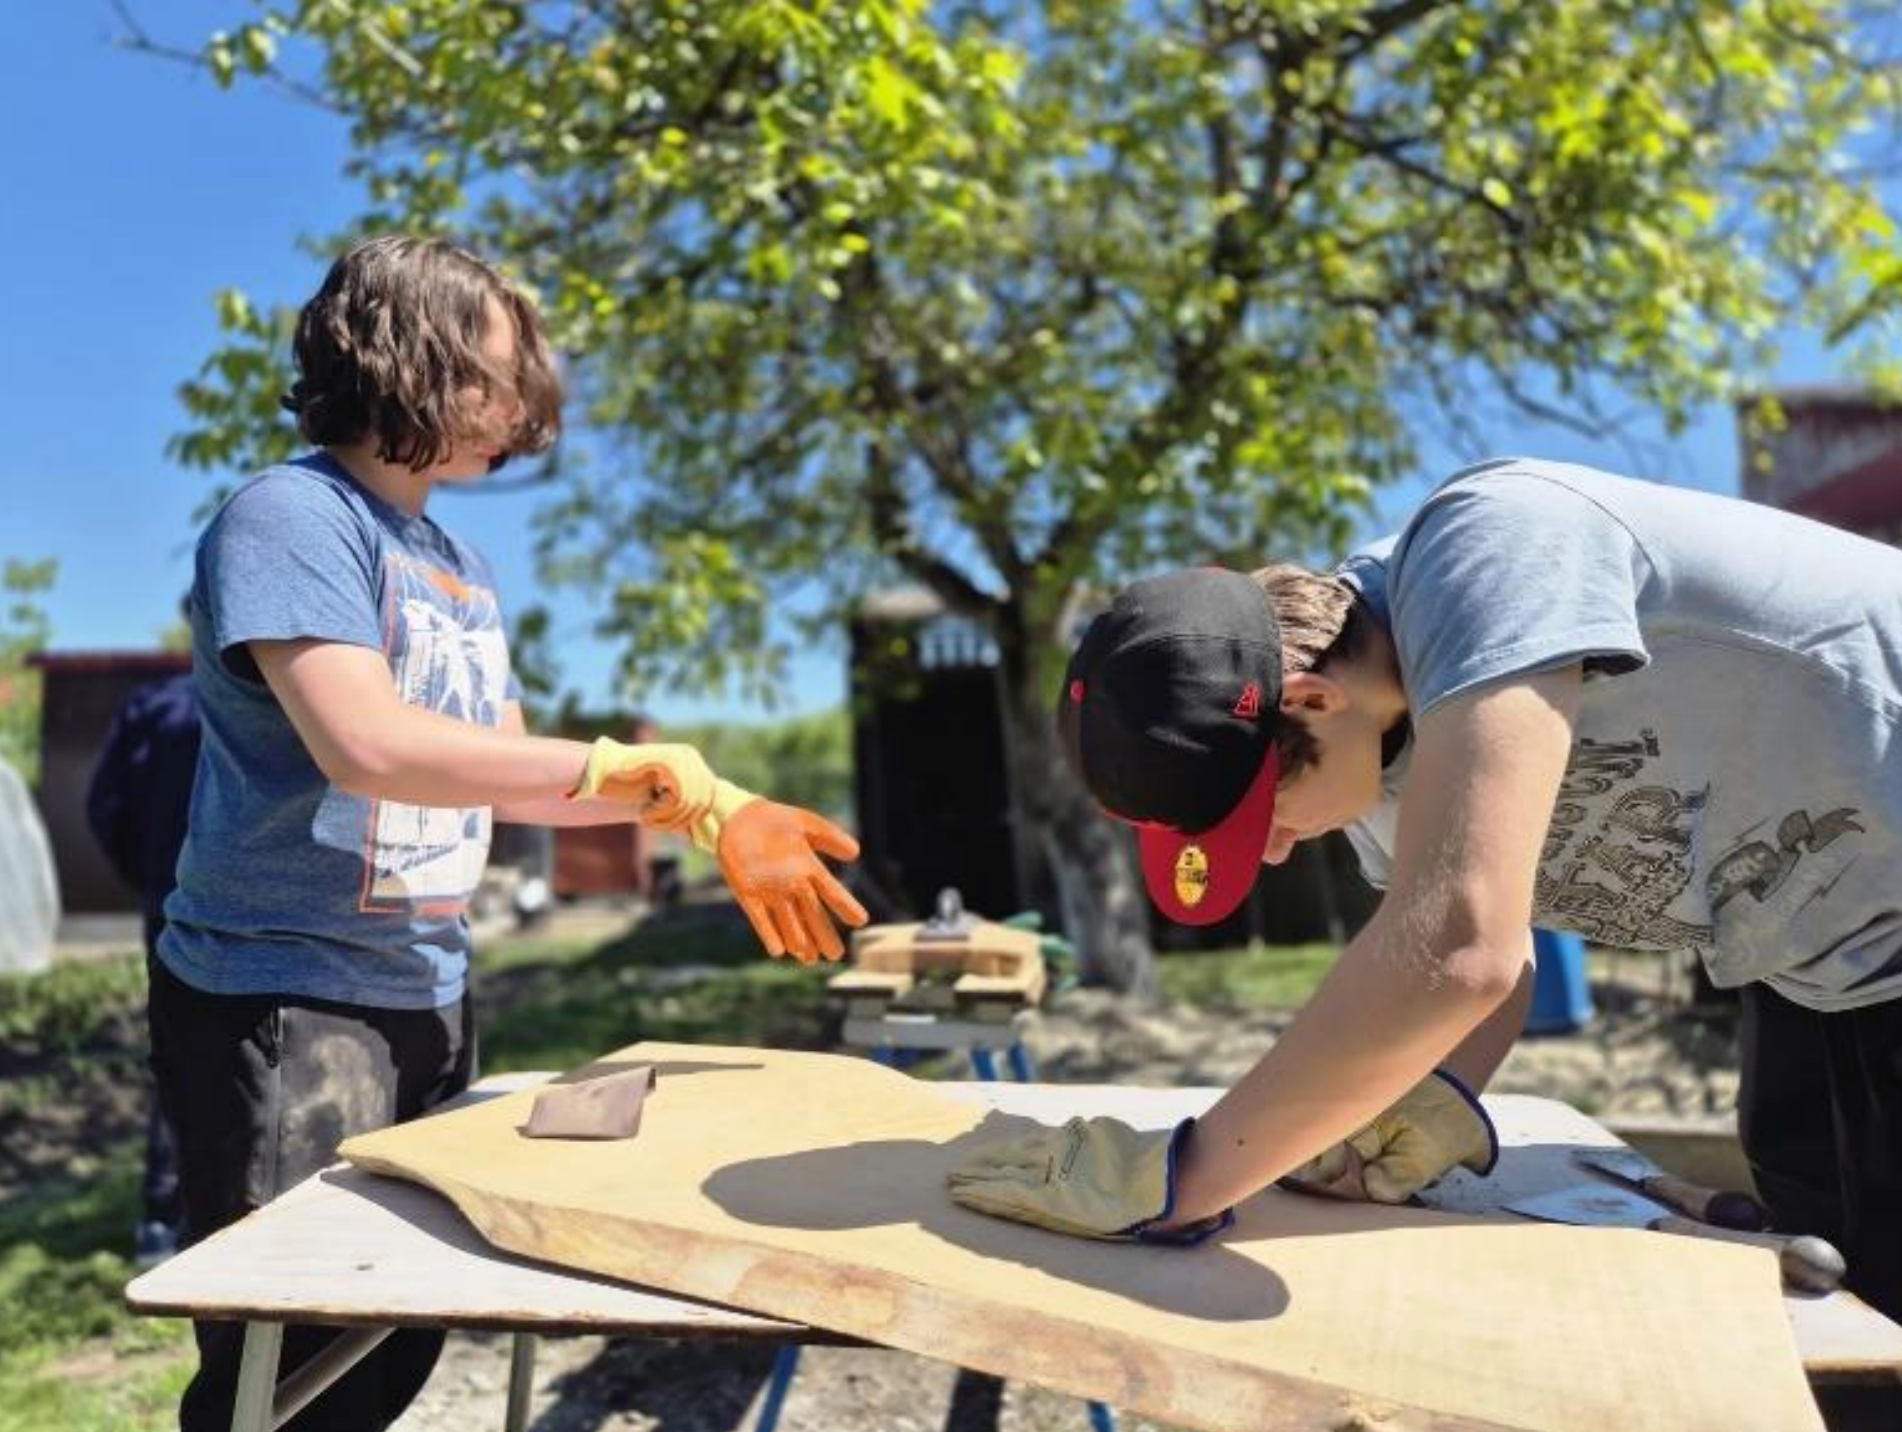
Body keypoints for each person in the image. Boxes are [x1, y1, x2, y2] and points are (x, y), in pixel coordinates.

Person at [152, 233, 868, 1432]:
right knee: (290, 1364)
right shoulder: (288, 517)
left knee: (393, 1341)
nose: (519, 409)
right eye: (492, 376)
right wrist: (639, 772)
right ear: (406, 358)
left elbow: (520, 781)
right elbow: (366, 743)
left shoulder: (453, 561)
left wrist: (715, 803)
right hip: (282, 990)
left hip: (425, 984)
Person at [949, 455, 1902, 1324]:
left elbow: (1459, 949)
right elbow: (1498, 944)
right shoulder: (1378, 748)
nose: (1275, 855)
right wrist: (1433, 1091)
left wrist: (1184, 1178)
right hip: (1821, 963)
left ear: (1314, 703)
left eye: (1264, 818)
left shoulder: (1494, 546)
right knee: (1835, 1323)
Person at [86, 664, 200, 1264]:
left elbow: (105, 804)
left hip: (170, 902)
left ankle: (162, 1219)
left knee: (177, 1052)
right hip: (247, 908)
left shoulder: (156, 706)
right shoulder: (276, 696)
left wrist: (150, 879)